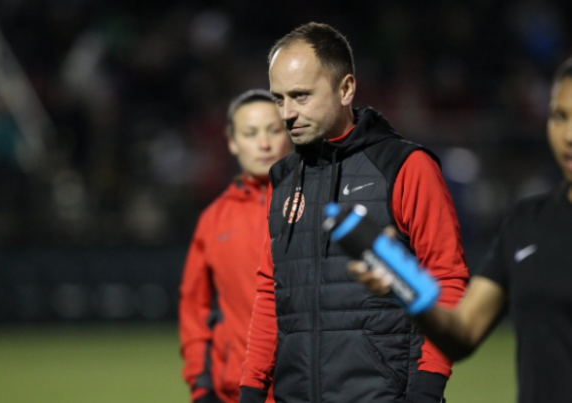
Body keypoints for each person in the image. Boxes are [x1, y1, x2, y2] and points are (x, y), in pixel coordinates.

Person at [239, 23, 469, 403]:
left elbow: (446, 278)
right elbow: (271, 291)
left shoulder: (405, 167)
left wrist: (427, 389)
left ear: (345, 89)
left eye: (300, 96)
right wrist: (250, 390)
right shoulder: (282, 179)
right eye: (279, 99)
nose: (287, 114)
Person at [349, 57, 572, 403]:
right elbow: (463, 333)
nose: (569, 135)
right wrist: (404, 283)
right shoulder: (527, 222)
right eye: (560, 116)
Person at [179, 89, 292, 403]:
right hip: (234, 392)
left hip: (310, 390)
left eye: (274, 130)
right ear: (232, 141)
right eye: (250, 133)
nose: (264, 143)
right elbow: (195, 309)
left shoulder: (320, 203)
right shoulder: (214, 219)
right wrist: (202, 385)